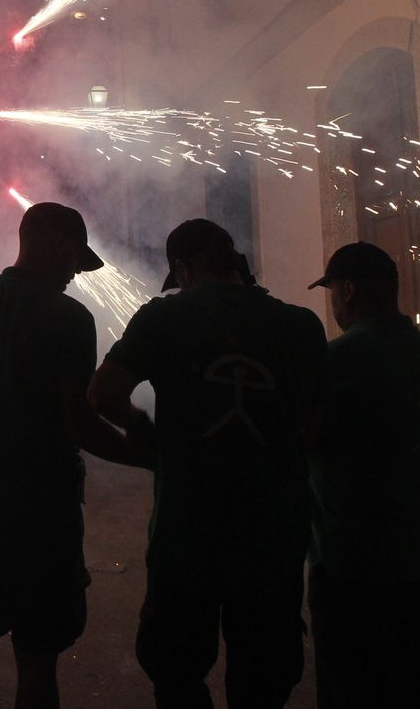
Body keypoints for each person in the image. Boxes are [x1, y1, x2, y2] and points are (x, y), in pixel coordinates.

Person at [89, 219, 326, 708]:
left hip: (187, 534)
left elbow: (103, 392)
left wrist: (143, 434)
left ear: (182, 268)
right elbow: (320, 423)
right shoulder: (300, 325)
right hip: (272, 533)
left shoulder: (163, 318)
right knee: (264, 679)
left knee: (176, 674)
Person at [0, 201, 153, 709]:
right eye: (77, 261)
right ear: (60, 245)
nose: (77, 274)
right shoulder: (69, 317)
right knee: (37, 656)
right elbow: (78, 422)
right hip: (42, 516)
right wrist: (146, 457)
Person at [305, 242, 420, 708]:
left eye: (332, 290)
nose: (331, 302)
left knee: (353, 684)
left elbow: (304, 438)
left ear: (348, 290)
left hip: (352, 561)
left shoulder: (338, 359)